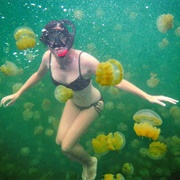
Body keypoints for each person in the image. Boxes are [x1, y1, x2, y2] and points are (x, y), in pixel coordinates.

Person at [1, 19, 178, 180]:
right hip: (73, 103)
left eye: (61, 36)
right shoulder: (47, 57)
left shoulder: (84, 60)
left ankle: (90, 162)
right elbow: (38, 74)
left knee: (66, 147)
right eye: (52, 38)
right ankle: (85, 161)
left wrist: (147, 95)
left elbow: (117, 81)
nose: (57, 43)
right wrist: (19, 93)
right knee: (59, 142)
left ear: (68, 37)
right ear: (46, 42)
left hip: (93, 105)